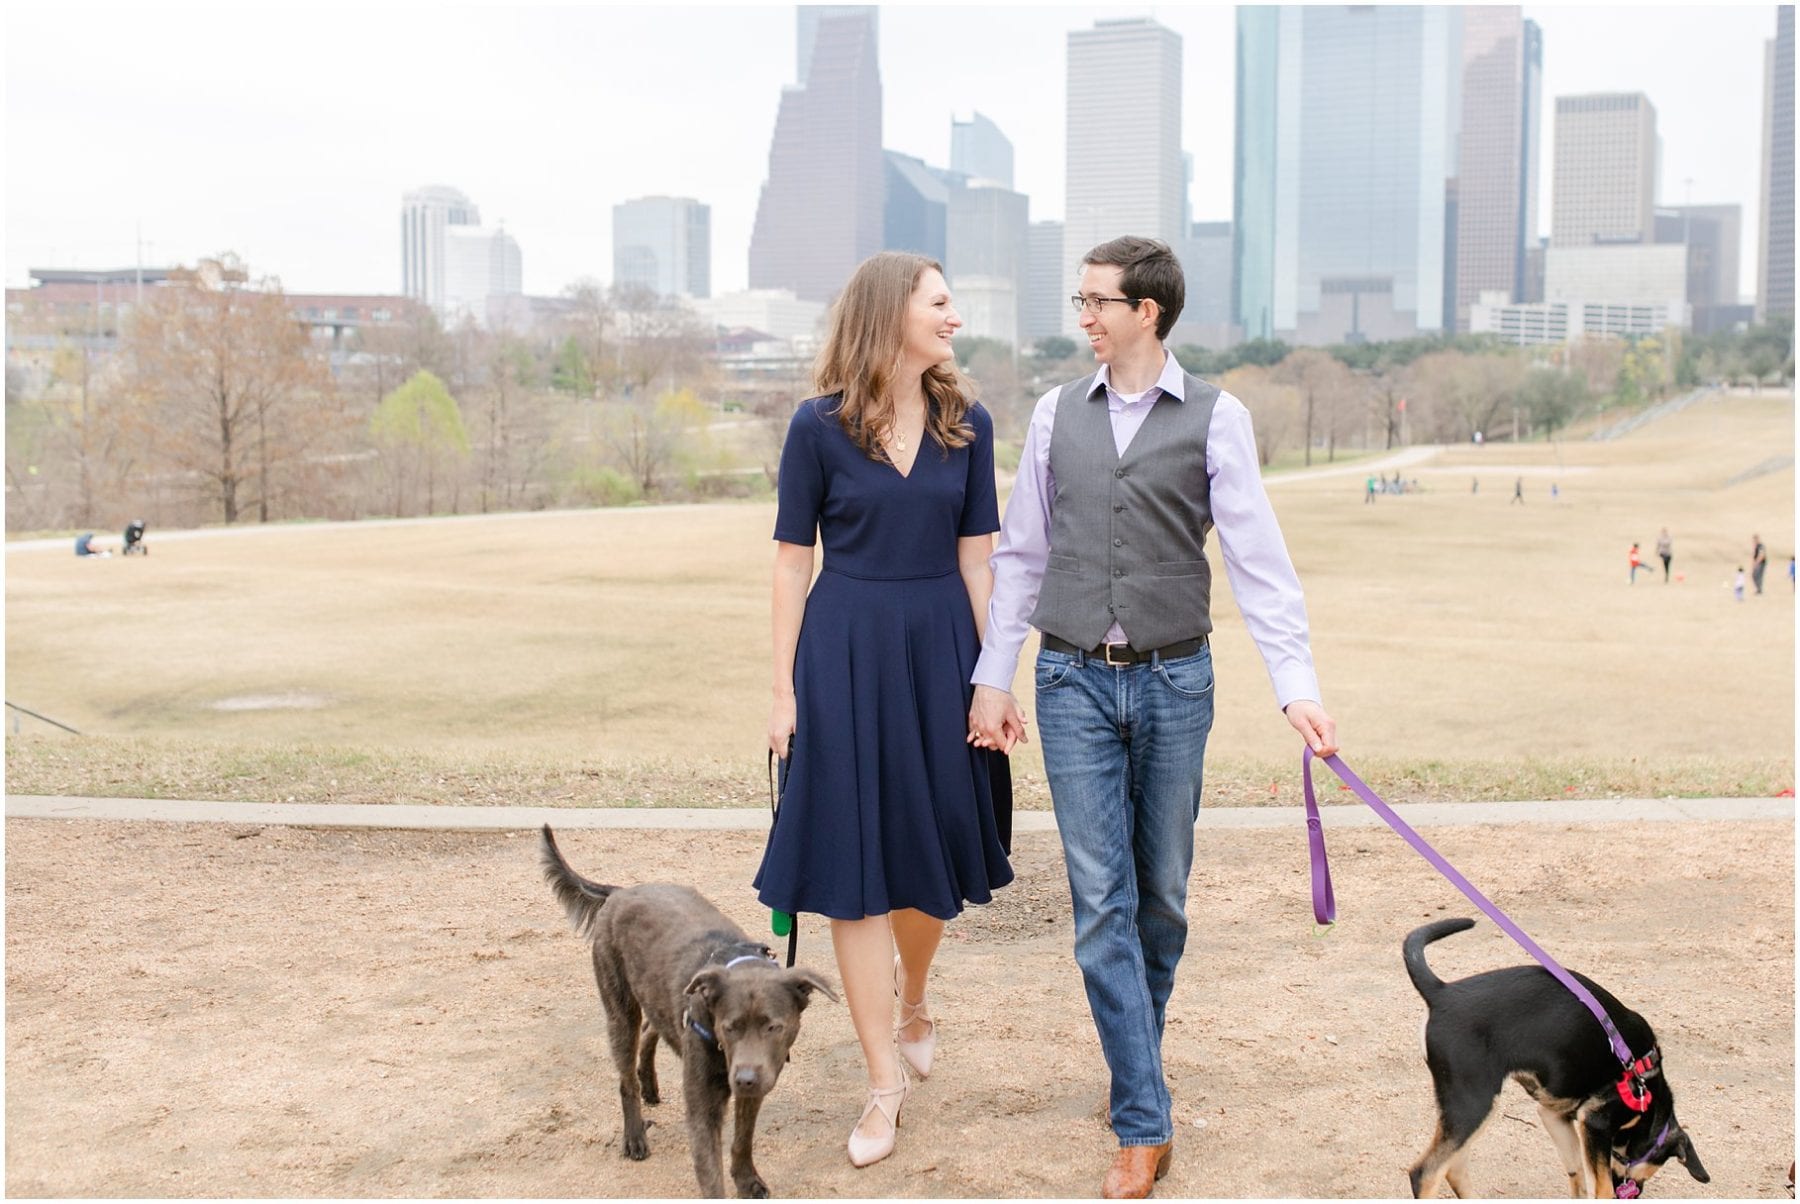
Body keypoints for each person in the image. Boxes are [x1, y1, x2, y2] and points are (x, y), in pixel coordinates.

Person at [967, 236, 1337, 1199]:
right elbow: (1021, 559)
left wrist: (1296, 686)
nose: (1082, 315)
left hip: (1177, 684)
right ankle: (1144, 1118)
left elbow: (1259, 561)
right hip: (1072, 684)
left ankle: (1137, 1064)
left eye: (1097, 302)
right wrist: (992, 676)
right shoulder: (1055, 415)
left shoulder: (1219, 419)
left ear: (1149, 312)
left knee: (1162, 899)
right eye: (1080, 300)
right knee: (1102, 907)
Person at [755, 251, 1013, 1170]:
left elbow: (980, 559)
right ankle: (881, 1084)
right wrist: (784, 691)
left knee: (931, 849)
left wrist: (996, 675)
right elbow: (793, 562)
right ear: (890, 313)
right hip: (845, 656)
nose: (954, 317)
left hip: (942, 649)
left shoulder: (968, 425)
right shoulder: (816, 428)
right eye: (941, 303)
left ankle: (915, 997)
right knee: (855, 869)